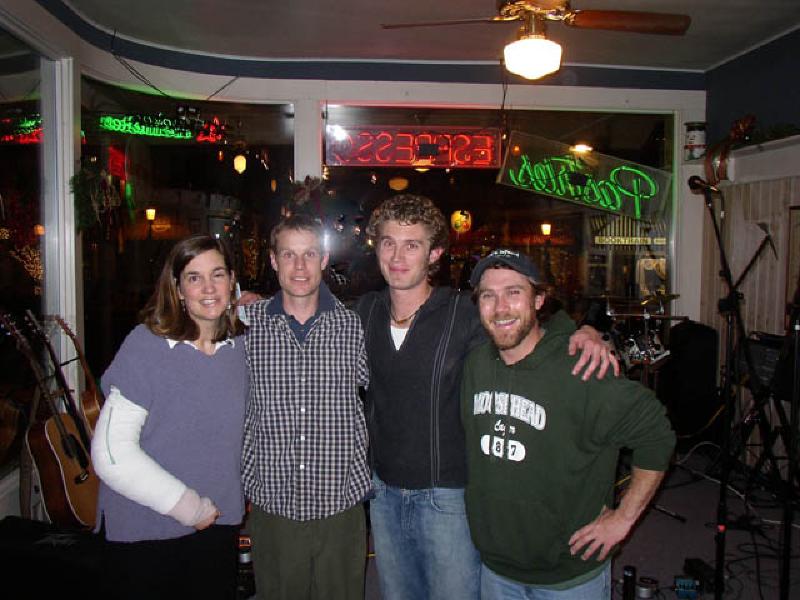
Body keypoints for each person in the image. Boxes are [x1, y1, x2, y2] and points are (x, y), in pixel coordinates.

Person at [355, 195, 619, 600]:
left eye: (412, 244)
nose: (397, 255)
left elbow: (529, 324)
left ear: (435, 253)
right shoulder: (365, 312)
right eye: (389, 242)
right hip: (384, 493)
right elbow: (310, 313)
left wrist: (585, 332)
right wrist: (247, 305)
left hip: (448, 496)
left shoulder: (463, 312)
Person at [462, 248, 676, 599]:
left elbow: (657, 434)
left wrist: (623, 518)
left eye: (514, 292)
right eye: (488, 295)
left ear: (539, 299)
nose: (500, 308)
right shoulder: (475, 366)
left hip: (570, 575)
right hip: (495, 568)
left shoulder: (582, 369)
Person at [91, 234, 248, 600]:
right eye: (194, 277)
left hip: (216, 527)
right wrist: (189, 507)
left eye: (218, 274)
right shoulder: (146, 345)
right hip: (146, 530)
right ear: (177, 289)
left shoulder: (241, 346)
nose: (209, 288)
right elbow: (111, 454)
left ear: (232, 281)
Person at [240, 214, 370, 600]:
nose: (300, 266)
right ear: (273, 260)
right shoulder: (246, 325)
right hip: (273, 504)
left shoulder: (355, 326)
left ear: (325, 258)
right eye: (289, 255)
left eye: (309, 254)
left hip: (340, 504)